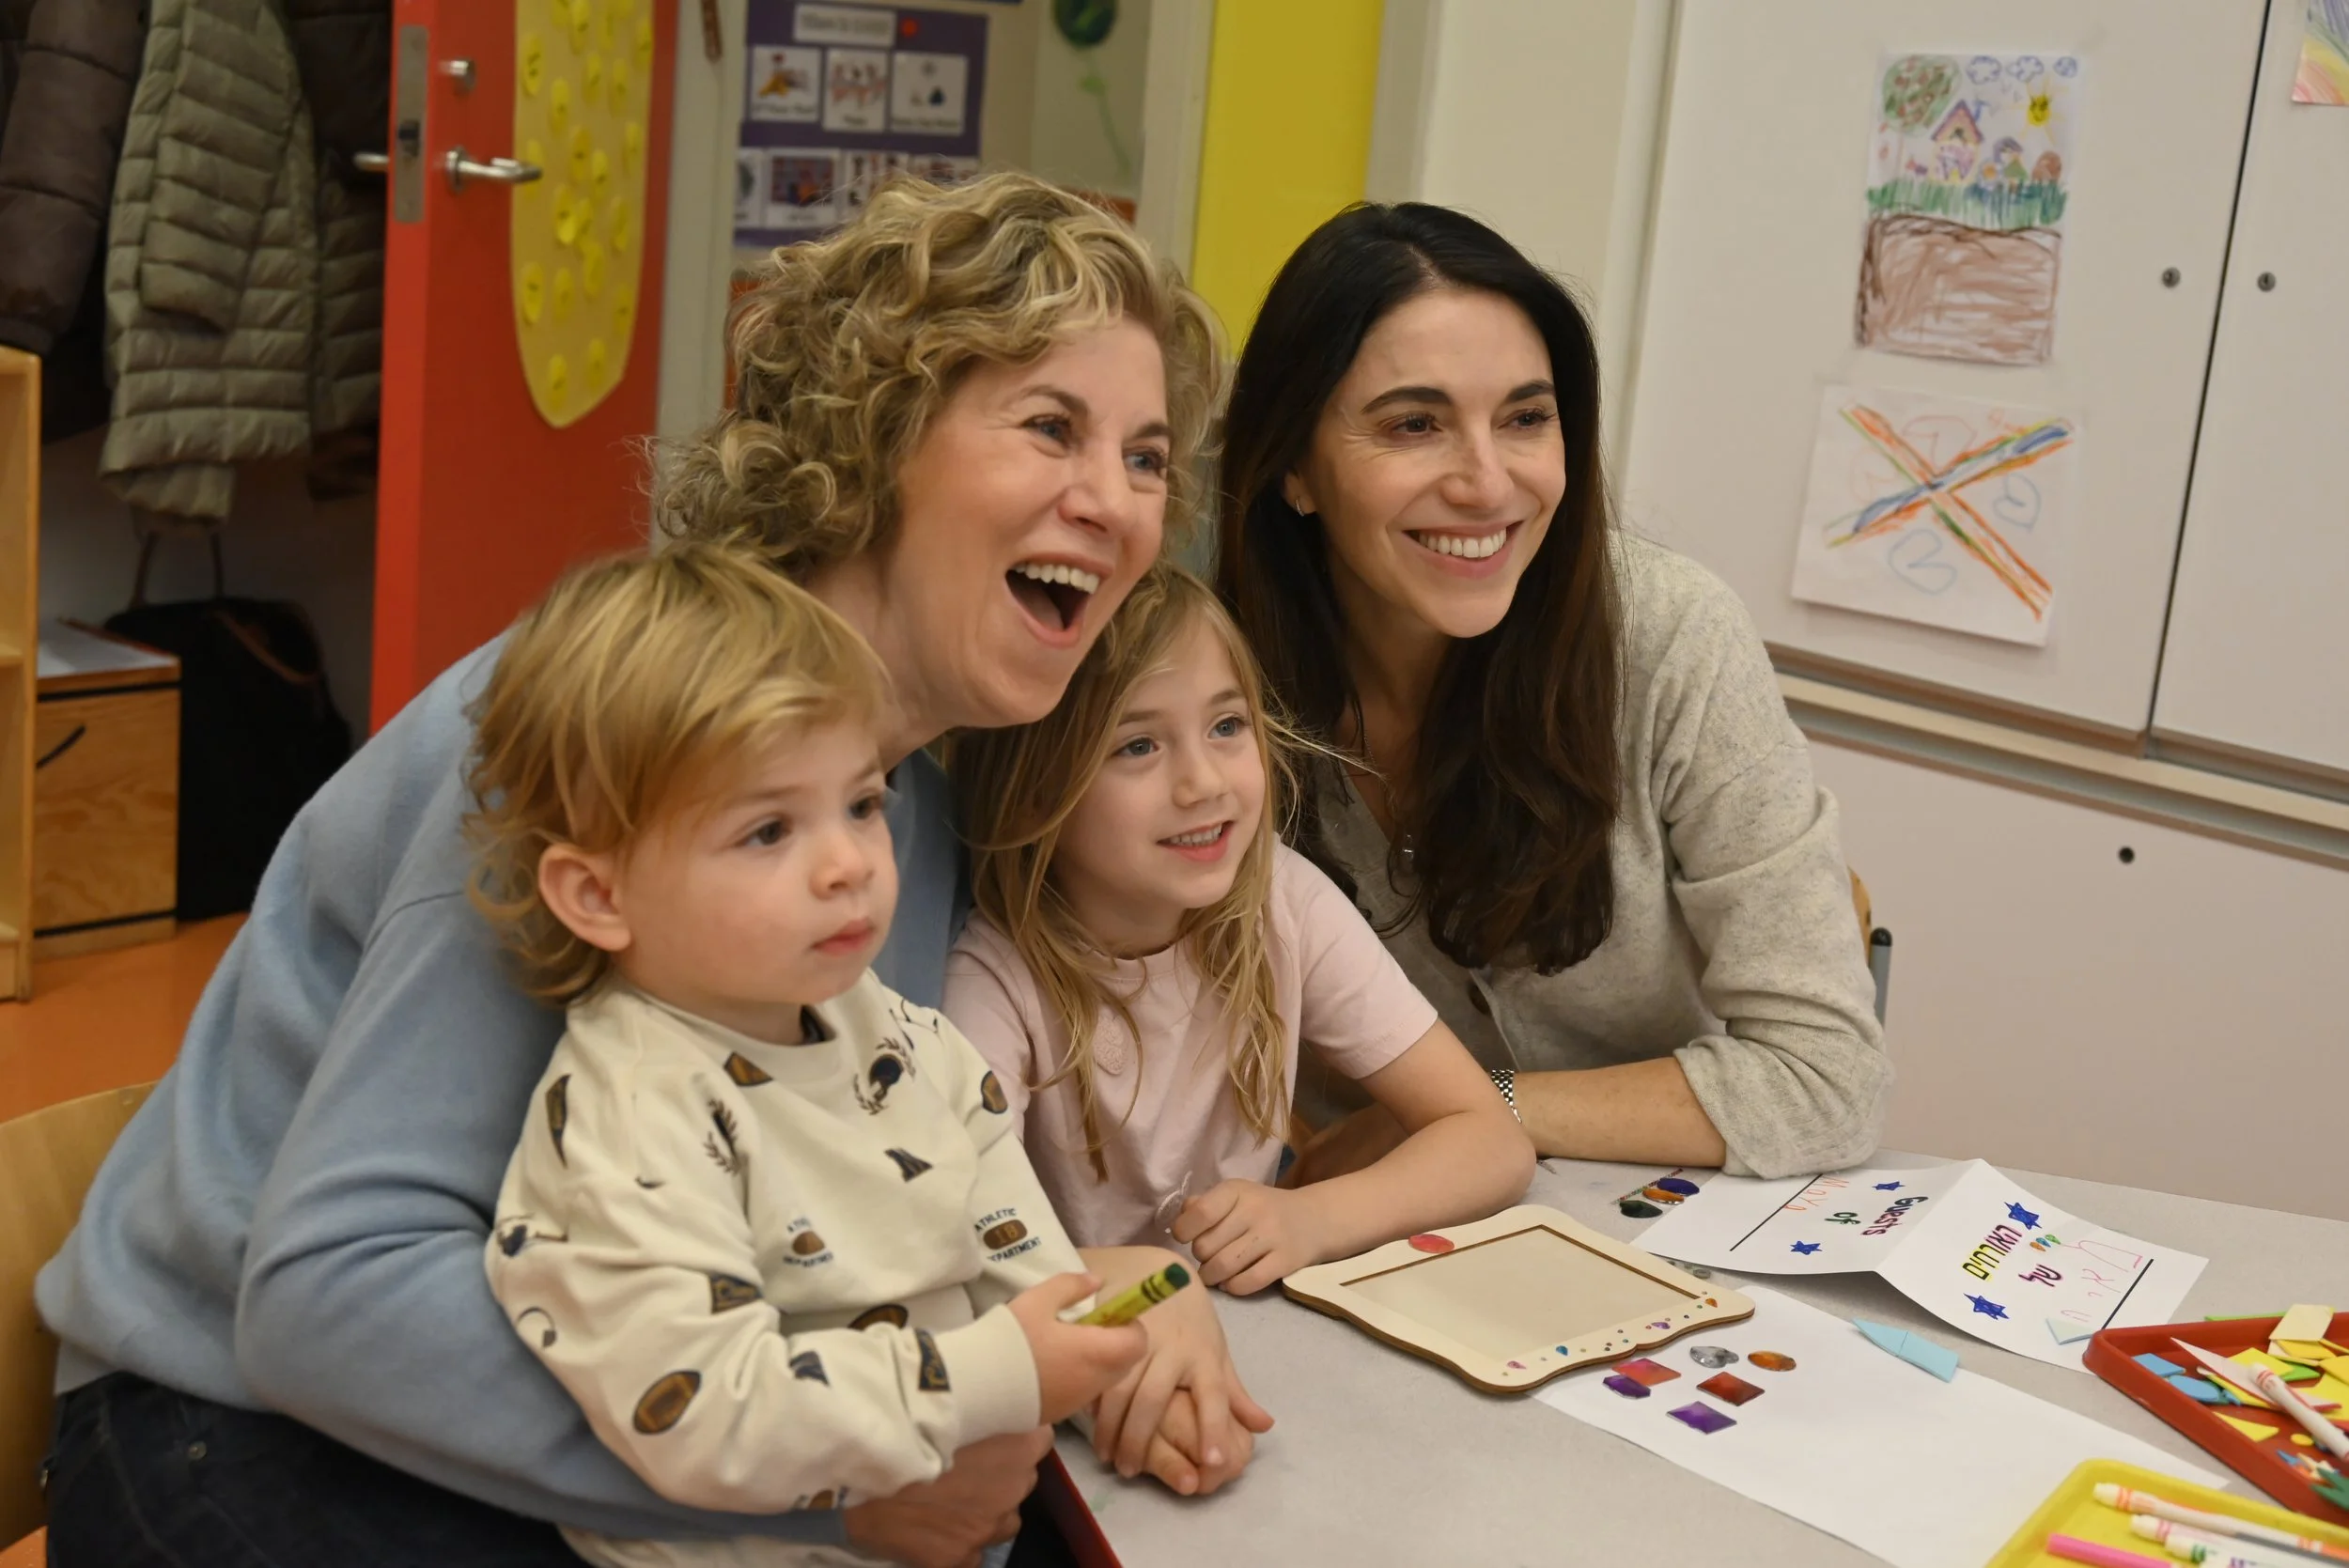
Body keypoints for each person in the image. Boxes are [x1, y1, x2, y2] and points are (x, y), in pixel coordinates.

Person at [36, 172, 1236, 1568]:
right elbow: (324, 1297)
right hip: (231, 1420)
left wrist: (1124, 1298)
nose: (1116, 505)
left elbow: (859, 1212)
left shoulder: (913, 816)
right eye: (1051, 429)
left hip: (590, 1424)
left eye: (1148, 458)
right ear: (875, 443)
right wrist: (843, 1490)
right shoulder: (598, 737)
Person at [470, 545, 1145, 1568]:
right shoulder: (634, 1107)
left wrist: (1107, 1340)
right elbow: (713, 1414)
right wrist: (1001, 1372)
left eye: (863, 804)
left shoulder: (903, 1035)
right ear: (598, 895)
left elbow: (1016, 1254)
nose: (847, 865)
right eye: (768, 829)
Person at [1215, 203, 1890, 1186]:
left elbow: (1829, 1081)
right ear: (1293, 468)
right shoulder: (1206, 684)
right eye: (1415, 424)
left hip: (1660, 1225)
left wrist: (1476, 1111)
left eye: (1526, 419)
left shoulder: (1670, 636)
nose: (1488, 484)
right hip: (1371, 1233)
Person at [942, 566, 1533, 1351]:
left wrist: (1314, 1217)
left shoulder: (1283, 900)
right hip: (1079, 1355)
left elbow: (1491, 1137)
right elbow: (971, 1261)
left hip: (1254, 1340)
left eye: (1227, 726)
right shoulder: (992, 978)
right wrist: (1150, 1294)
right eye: (1138, 744)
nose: (1203, 782)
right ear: (1031, 788)